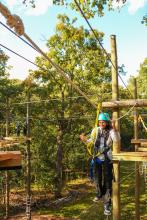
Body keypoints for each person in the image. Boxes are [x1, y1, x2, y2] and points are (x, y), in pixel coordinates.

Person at [80, 112, 120, 216]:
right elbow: (90, 142)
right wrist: (84, 140)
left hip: (107, 157)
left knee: (107, 181)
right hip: (97, 157)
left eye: (103, 122)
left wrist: (115, 130)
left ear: (107, 122)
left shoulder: (111, 131)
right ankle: (99, 194)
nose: (101, 124)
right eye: (100, 122)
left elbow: (117, 140)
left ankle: (107, 205)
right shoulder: (95, 130)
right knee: (96, 178)